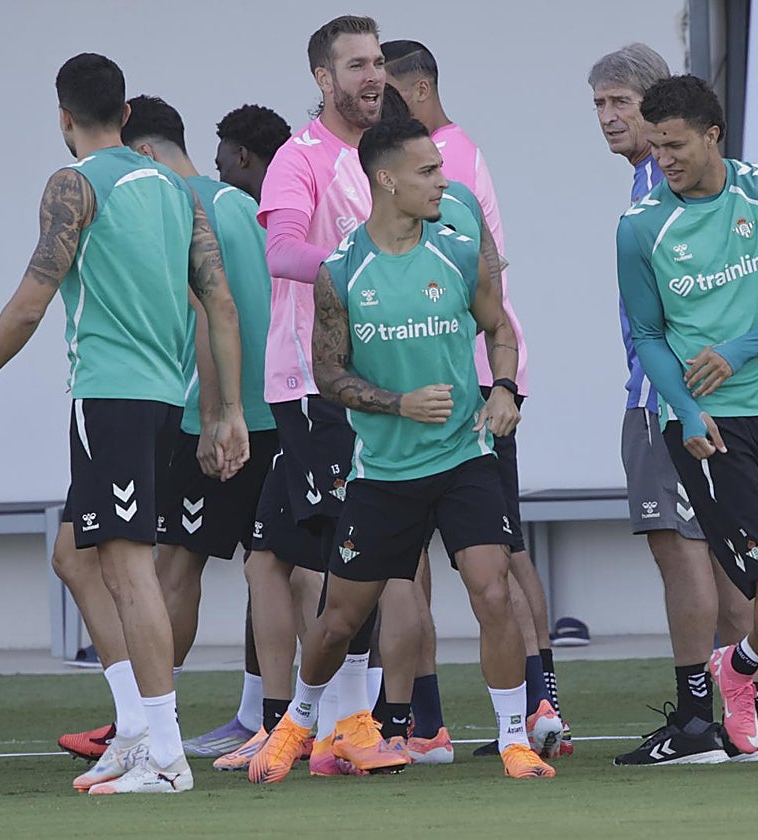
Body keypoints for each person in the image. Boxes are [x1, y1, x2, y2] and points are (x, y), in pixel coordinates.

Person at [0, 53, 248, 795]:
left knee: (127, 566)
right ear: (124, 111)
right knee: (75, 557)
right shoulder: (181, 193)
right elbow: (222, 305)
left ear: (64, 116)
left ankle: (165, 756)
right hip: (156, 403)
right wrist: (224, 410)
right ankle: (137, 733)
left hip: (108, 398)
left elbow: (29, 301)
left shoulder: (73, 183)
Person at [248, 116, 555, 784]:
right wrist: (399, 405)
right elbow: (330, 375)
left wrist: (503, 388)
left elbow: (498, 326)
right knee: (337, 621)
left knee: (492, 590)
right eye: (427, 172)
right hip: (383, 471)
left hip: (464, 456)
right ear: (385, 180)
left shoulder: (459, 249)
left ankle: (512, 739)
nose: (443, 181)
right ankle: (298, 720)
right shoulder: (340, 272)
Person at [616, 75, 758, 772]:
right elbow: (648, 337)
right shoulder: (639, 228)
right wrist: (686, 409)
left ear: (713, 135)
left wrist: (738, 352)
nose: (664, 160)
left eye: (676, 145)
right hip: (703, 427)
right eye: (655, 147)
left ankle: (739, 666)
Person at [56, 100, 297, 765]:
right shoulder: (246, 206)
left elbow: (205, 312)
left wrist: (217, 414)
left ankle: (144, 718)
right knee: (264, 566)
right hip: (272, 411)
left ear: (146, 154)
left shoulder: (170, 201)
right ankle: (255, 715)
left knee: (166, 569)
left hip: (201, 413)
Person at [220, 14, 405, 777]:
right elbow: (282, 250)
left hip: (369, 383)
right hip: (318, 386)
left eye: (378, 62)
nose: (373, 76)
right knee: (349, 551)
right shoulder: (303, 158)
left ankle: (283, 725)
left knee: (268, 558)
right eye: (356, 64)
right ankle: (344, 723)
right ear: (323, 81)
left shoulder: (391, 155)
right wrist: (360, 264)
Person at [382, 41, 566, 759]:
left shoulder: (441, 162)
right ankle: (522, 706)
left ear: (419, 89)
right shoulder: (453, 155)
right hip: (473, 377)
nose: (375, 103)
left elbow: (475, 280)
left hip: (470, 383)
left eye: (386, 92)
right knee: (492, 554)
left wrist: (501, 380)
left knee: (484, 559)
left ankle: (480, 714)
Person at [588, 45, 758, 766]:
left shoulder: (655, 189)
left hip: (665, 397)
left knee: (682, 551)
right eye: (598, 105)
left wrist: (672, 392)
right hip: (719, 395)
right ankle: (739, 722)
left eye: (619, 103)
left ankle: (697, 724)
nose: (606, 118)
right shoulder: (704, 187)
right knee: (725, 558)